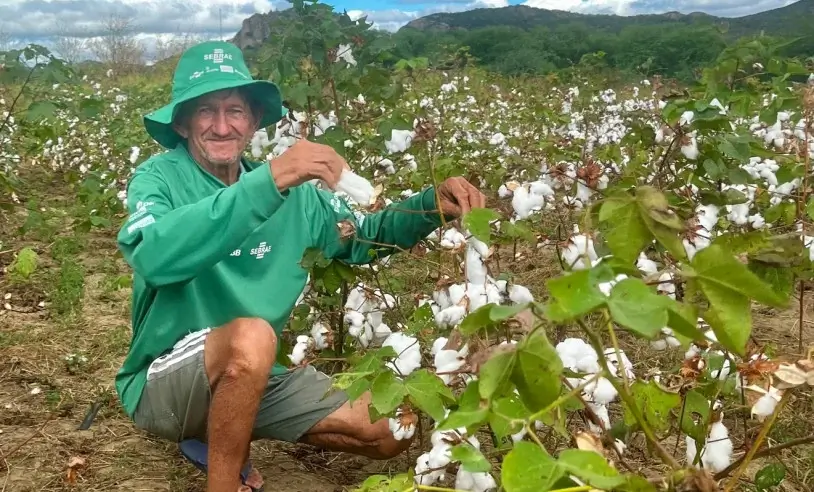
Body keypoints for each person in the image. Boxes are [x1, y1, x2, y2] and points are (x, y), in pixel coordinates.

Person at [115, 40, 486, 492]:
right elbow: (153, 255)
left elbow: (362, 238)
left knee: (392, 427)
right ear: (182, 122)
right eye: (205, 111)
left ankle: (224, 431)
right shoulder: (160, 179)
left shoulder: (299, 197)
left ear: (253, 121)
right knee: (250, 336)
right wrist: (270, 180)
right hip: (166, 385)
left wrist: (431, 206)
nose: (221, 125)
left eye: (234, 110)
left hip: (255, 372)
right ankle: (222, 476)